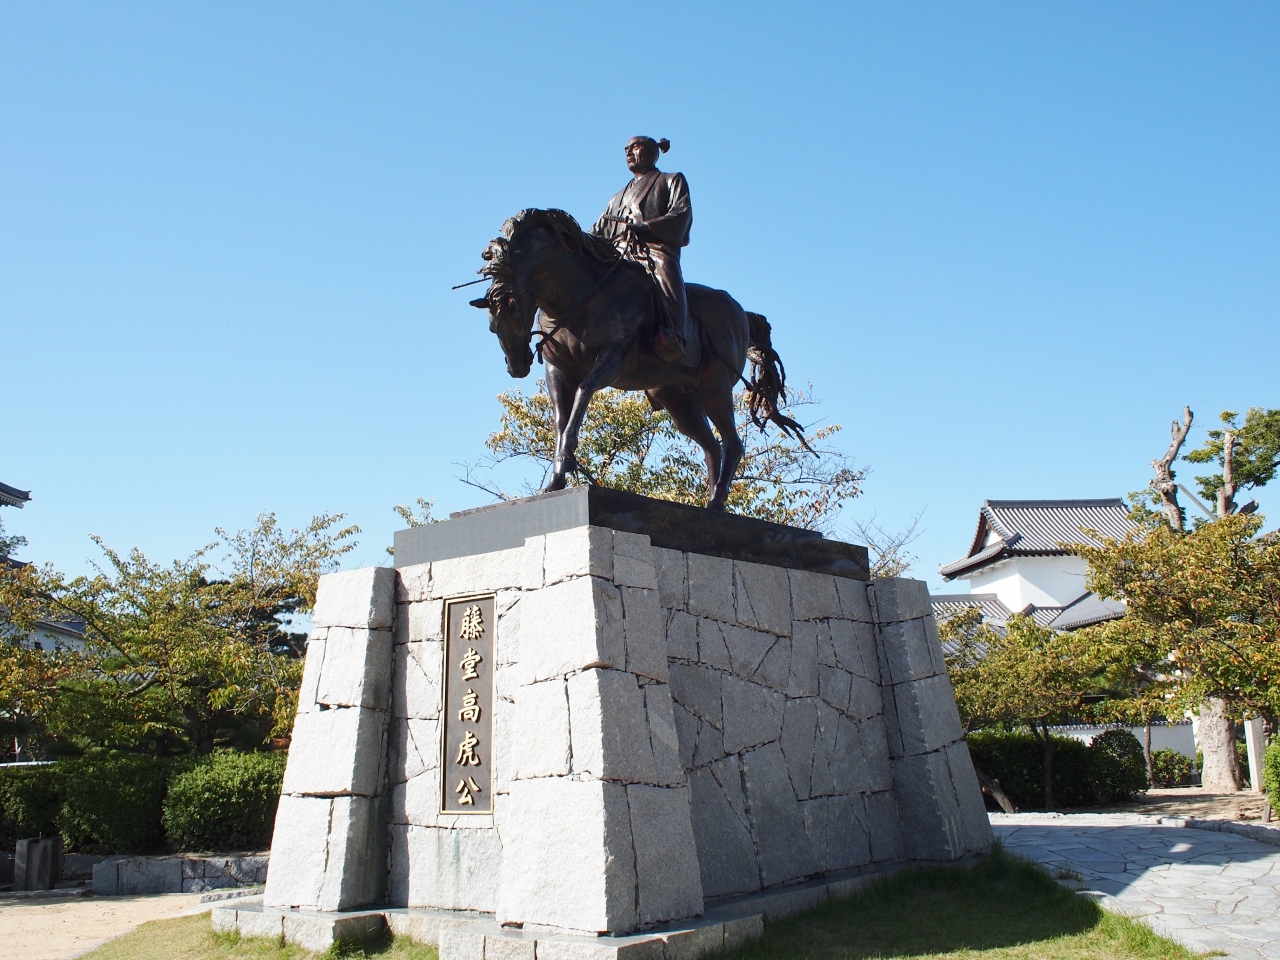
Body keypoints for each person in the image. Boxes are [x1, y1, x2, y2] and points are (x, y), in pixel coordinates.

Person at [591, 137, 699, 366]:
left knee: (665, 269)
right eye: (626, 149)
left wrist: (646, 227)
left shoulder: (671, 180)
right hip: (618, 254)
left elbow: (681, 213)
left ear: (651, 153)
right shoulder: (617, 197)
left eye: (635, 147)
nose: (629, 152)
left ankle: (675, 333)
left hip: (652, 250)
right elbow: (598, 231)